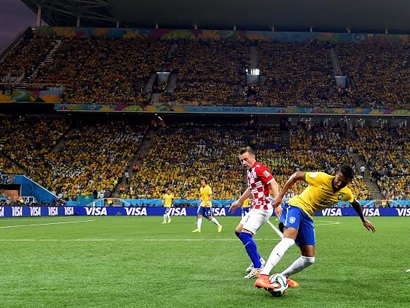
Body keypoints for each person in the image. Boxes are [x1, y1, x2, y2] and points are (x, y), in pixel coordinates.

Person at [254, 165, 376, 291]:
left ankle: (282, 276)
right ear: (336, 174)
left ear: (349, 182)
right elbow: (297, 175)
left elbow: (355, 203)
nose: (339, 183)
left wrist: (363, 220)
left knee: (309, 259)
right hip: (296, 206)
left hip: (308, 216)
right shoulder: (321, 177)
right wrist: (280, 196)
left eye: (344, 182)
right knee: (289, 239)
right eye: (338, 179)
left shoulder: (346, 193)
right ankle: (263, 275)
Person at [229, 147, 280, 279]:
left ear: (253, 157)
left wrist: (277, 204)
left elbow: (274, 183)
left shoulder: (259, 168)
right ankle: (259, 261)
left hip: (263, 207)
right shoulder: (250, 171)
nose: (244, 163)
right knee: (239, 232)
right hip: (255, 207)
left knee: (246, 235)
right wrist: (239, 201)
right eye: (242, 161)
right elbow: (251, 189)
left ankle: (258, 267)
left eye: (246, 159)